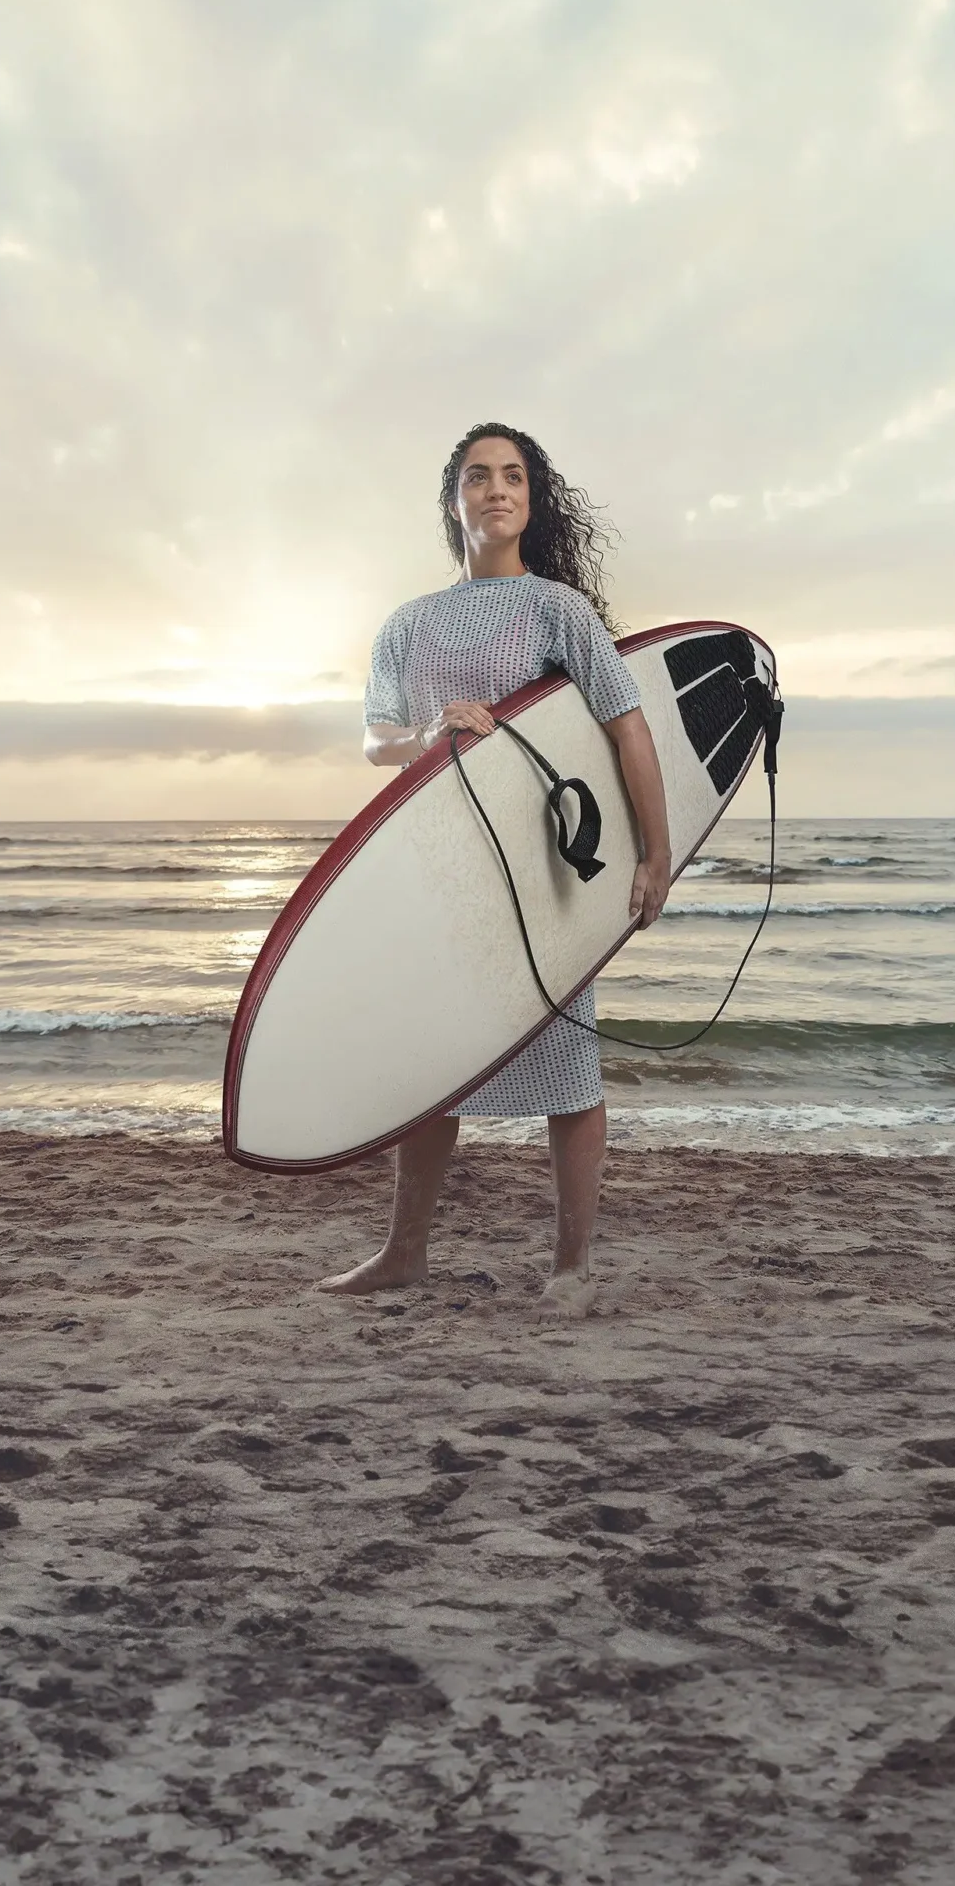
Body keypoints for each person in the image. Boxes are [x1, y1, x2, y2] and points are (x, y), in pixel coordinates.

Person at [318, 422, 670, 1312]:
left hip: (544, 872)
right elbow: (376, 740)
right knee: (431, 1064)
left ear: (532, 499)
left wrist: (656, 855)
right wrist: (426, 733)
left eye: (512, 476)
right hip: (444, 867)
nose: (496, 490)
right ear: (455, 502)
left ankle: (573, 1268)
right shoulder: (408, 625)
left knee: (568, 1064)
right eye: (478, 477)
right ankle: (403, 1254)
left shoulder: (559, 610)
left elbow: (628, 729)